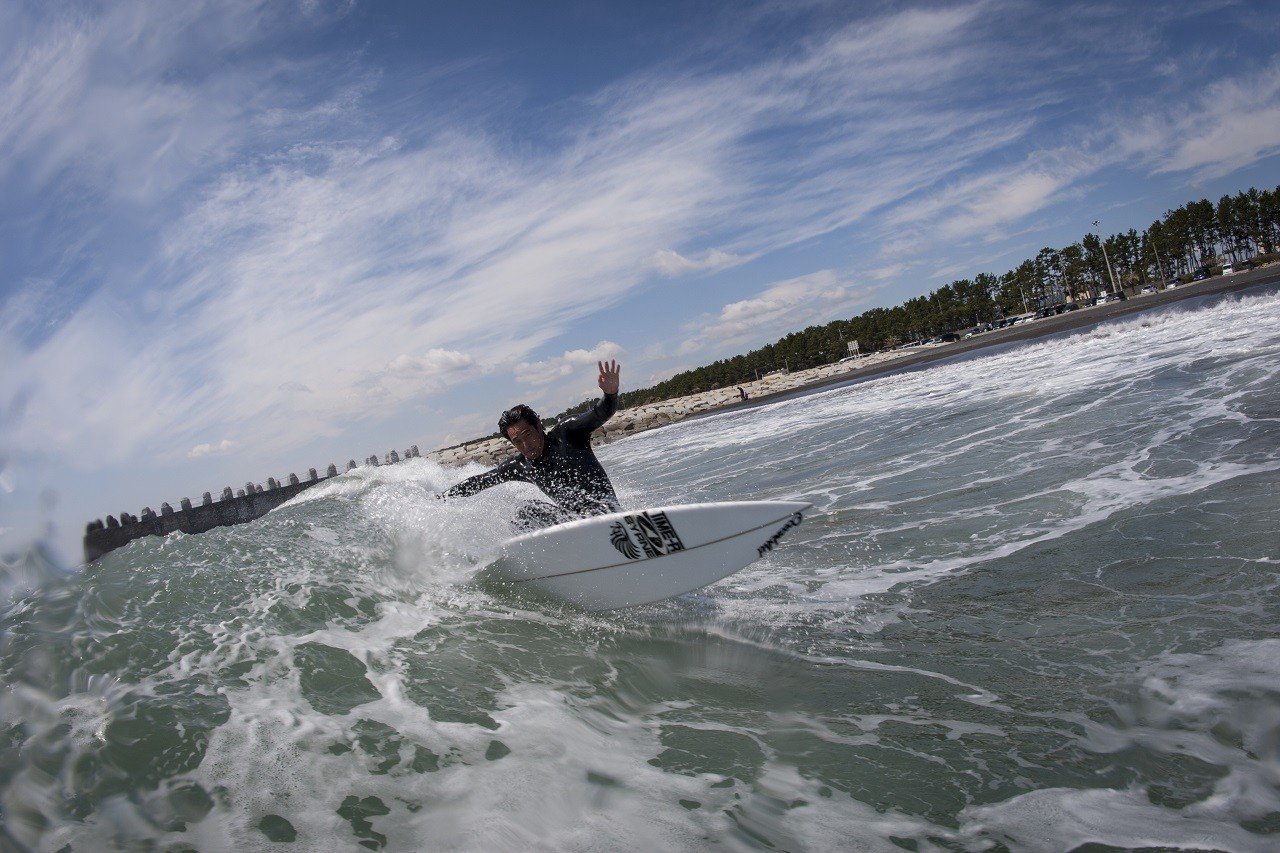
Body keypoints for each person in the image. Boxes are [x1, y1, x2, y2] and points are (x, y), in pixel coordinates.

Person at [440, 360, 622, 531]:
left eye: (527, 435)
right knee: (526, 512)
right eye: (517, 442)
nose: (525, 445)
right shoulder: (521, 466)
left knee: (592, 511)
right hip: (575, 525)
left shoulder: (568, 434)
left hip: (607, 514)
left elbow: (600, 413)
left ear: (538, 426)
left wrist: (610, 394)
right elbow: (479, 481)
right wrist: (440, 499)